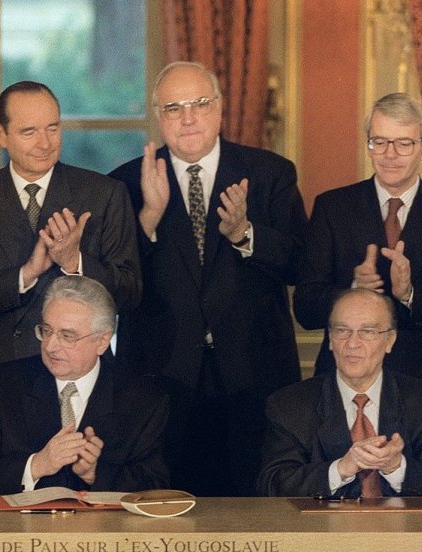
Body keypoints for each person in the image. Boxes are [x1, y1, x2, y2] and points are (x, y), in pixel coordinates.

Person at [108, 61, 307, 496]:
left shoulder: (271, 174)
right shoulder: (125, 183)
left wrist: (245, 234)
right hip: (161, 381)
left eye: (199, 103)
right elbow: (113, 286)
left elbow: (300, 264)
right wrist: (148, 219)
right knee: (164, 522)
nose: (188, 118)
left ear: (219, 108)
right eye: (174, 107)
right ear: (158, 116)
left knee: (256, 520)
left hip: (253, 379)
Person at [0, 80, 140, 406]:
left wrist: (74, 262)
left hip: (83, 379)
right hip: (3, 381)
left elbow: (130, 292)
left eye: (53, 128)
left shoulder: (103, 194)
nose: (45, 143)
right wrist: (26, 274)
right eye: (28, 132)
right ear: (1, 135)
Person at [293, 92, 422, 418]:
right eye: (379, 142)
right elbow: (305, 308)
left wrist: (410, 295)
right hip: (341, 392)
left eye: (403, 144)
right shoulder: (333, 208)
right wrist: (353, 293)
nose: (389, 154)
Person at [0, 276, 168, 497]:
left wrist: (96, 474)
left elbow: (156, 485)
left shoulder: (143, 400)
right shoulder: (3, 385)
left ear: (102, 341)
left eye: (67, 336)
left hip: (103, 531)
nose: (51, 346)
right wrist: (35, 466)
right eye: (46, 331)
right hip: (21, 530)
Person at [259, 288, 422, 497]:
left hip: (403, 528)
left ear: (390, 341)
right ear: (330, 339)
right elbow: (272, 485)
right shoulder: (289, 405)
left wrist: (395, 467)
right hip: (322, 528)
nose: (352, 344)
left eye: (368, 332)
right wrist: (341, 468)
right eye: (342, 331)